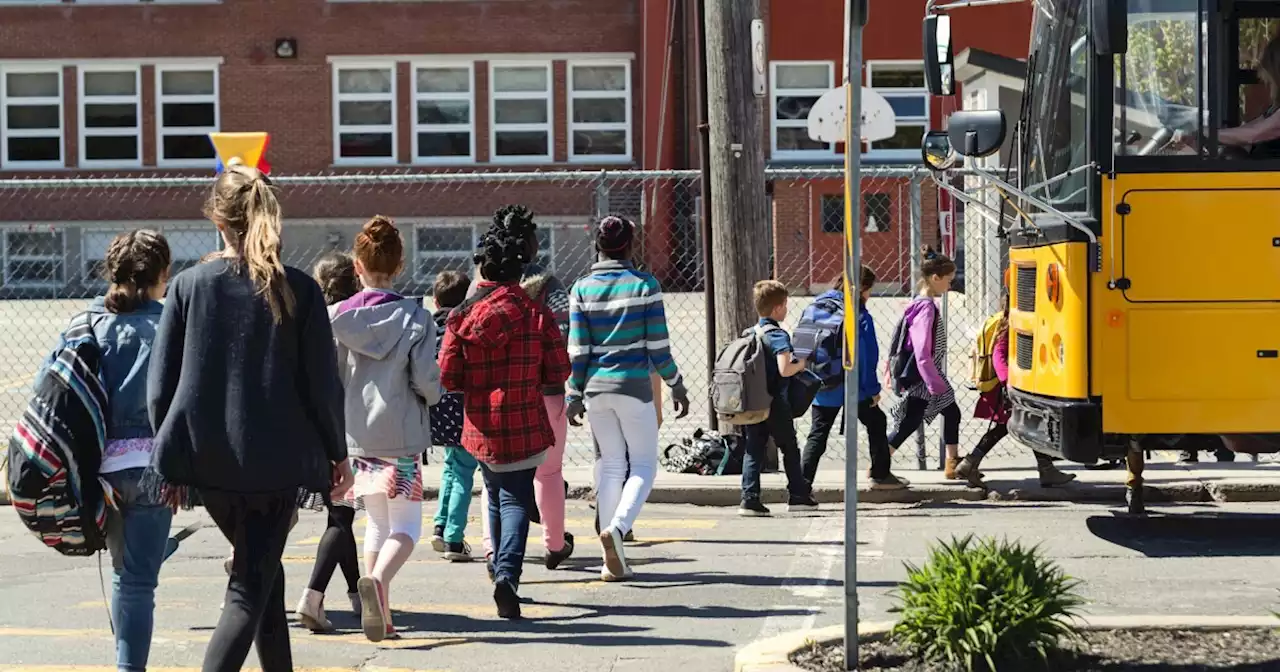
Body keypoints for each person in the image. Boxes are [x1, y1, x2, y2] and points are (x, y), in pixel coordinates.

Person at [147, 161, 350, 672]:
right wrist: (337, 453)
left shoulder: (190, 286)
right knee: (247, 589)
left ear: (218, 219)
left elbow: (161, 388)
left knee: (264, 578)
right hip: (277, 465)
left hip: (210, 462)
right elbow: (323, 387)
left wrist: (171, 457)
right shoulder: (300, 290)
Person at [45, 230, 172, 672]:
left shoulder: (87, 323)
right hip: (154, 469)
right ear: (164, 274)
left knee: (125, 575)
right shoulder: (171, 323)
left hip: (98, 468)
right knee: (139, 581)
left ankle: (126, 661)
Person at [440, 225, 570, 619]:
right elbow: (559, 369)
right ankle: (507, 576)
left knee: (495, 492)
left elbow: (447, 374)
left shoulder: (463, 315)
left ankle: (499, 566)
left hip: (480, 423)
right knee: (514, 497)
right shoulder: (536, 313)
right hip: (524, 420)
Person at [331, 216, 442, 642]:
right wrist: (433, 395)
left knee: (376, 522)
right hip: (402, 435)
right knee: (408, 528)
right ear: (398, 267)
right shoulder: (416, 317)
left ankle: (381, 613)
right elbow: (426, 381)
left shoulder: (335, 318)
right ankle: (377, 585)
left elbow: (330, 378)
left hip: (357, 437)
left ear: (357, 266)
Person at [565, 215, 690, 581]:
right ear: (630, 246)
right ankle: (617, 530)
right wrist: (676, 383)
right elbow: (658, 347)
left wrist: (574, 393)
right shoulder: (645, 286)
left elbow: (578, 350)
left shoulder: (581, 289)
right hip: (633, 387)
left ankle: (609, 560)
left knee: (611, 465)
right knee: (644, 467)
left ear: (597, 247)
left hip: (595, 391)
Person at [473, 206, 576, 572]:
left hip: (489, 396)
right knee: (548, 473)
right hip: (545, 392)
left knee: (493, 479)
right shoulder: (551, 287)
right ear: (531, 244)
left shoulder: (480, 287)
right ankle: (554, 543)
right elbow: (562, 338)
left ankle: (491, 550)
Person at [294, 252, 363, 632]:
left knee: (342, 517)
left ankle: (355, 592)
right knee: (341, 515)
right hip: (350, 429)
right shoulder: (357, 319)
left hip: (315, 426)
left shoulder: (311, 321)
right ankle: (313, 595)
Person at [795, 267, 908, 491]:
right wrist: (872, 390)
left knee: (817, 434)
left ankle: (800, 489)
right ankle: (880, 474)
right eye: (869, 290)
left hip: (821, 382)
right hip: (851, 386)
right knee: (876, 422)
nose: (869, 295)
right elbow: (867, 357)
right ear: (862, 289)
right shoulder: (859, 314)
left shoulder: (816, 305)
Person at [956, 291, 1075, 488]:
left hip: (1011, 386)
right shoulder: (1012, 325)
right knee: (1025, 424)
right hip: (1009, 388)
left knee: (1020, 425)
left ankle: (971, 463)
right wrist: (1007, 382)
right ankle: (971, 463)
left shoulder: (1012, 322)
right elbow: (998, 354)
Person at [737, 280, 819, 517]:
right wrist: (802, 363)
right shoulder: (777, 335)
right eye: (785, 305)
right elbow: (785, 369)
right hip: (776, 403)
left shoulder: (749, 333)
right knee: (789, 448)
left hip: (754, 402)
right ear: (776, 309)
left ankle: (749, 498)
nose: (786, 309)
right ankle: (798, 494)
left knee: (753, 449)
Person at [886, 248, 964, 480]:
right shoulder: (926, 308)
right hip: (926, 375)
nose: (950, 286)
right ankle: (879, 463)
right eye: (948, 281)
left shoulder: (919, 304)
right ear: (935, 278)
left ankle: (952, 463)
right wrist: (934, 383)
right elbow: (921, 350)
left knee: (944, 414)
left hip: (926, 374)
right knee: (911, 421)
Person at [428, 270, 476, 562]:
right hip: (464, 409)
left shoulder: (429, 327)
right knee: (464, 472)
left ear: (435, 301)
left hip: (437, 410)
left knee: (451, 464)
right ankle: (454, 540)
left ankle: (440, 522)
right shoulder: (465, 325)